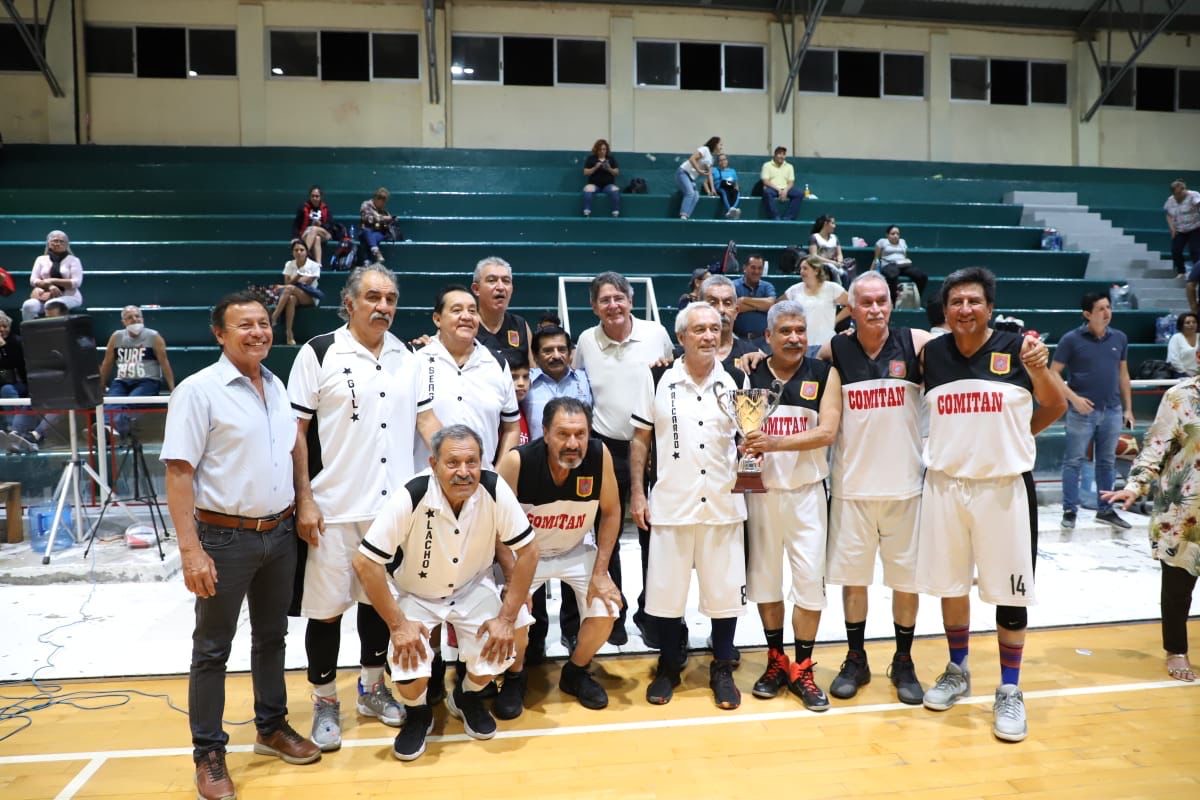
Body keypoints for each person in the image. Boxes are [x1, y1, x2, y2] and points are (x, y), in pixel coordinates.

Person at [161, 291, 322, 800]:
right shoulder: (198, 391)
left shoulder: (275, 384)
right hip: (223, 538)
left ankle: (271, 727)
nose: (258, 332)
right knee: (212, 649)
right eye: (244, 325)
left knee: (272, 637)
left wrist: (304, 498)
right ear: (220, 334)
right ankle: (208, 754)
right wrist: (191, 550)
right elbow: (179, 472)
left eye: (262, 323)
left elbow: (296, 446)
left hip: (278, 532)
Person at [287, 264, 443, 753]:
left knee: (381, 604)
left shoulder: (410, 358)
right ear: (349, 302)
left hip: (392, 510)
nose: (384, 307)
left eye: (391, 298)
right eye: (374, 297)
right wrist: (305, 499)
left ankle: (373, 690)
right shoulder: (319, 352)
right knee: (327, 611)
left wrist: (457, 464)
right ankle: (324, 701)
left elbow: (426, 421)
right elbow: (296, 435)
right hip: (332, 508)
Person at [918, 267, 1063, 744]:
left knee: (1011, 591)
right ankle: (958, 669)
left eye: (974, 301)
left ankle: (1010, 688)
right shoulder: (932, 354)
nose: (965, 309)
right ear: (944, 310)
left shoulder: (1019, 349)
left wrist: (1017, 434)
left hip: (1002, 488)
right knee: (950, 583)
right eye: (956, 302)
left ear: (990, 308)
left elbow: (1054, 405)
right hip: (945, 485)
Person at [351, 424, 539, 762]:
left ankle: (466, 696)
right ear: (433, 462)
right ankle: (418, 713)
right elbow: (365, 562)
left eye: (472, 462)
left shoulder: (494, 488)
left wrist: (507, 618)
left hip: (471, 588)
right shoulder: (413, 493)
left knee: (508, 637)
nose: (464, 472)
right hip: (416, 594)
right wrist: (397, 625)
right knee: (410, 670)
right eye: (453, 463)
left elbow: (530, 551)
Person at [630, 302, 747, 709]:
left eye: (715, 329)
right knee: (665, 593)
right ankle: (667, 665)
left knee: (724, 591)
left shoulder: (737, 378)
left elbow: (746, 439)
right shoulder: (658, 376)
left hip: (722, 501)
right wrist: (637, 493)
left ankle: (721, 668)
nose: (708, 336)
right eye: (699, 329)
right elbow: (640, 439)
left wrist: (755, 456)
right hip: (671, 502)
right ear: (681, 337)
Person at [821, 272, 929, 707]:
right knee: (854, 582)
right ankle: (856, 658)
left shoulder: (917, 342)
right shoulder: (836, 350)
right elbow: (792, 364)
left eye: (881, 300)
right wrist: (751, 358)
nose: (875, 309)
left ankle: (903, 660)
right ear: (852, 306)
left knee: (906, 583)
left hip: (906, 489)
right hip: (852, 490)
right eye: (865, 302)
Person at [495, 397, 623, 717]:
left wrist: (601, 573)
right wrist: (513, 578)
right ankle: (515, 676)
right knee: (515, 616)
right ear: (546, 433)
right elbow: (492, 524)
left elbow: (611, 512)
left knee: (607, 608)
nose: (573, 443)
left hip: (575, 550)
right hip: (525, 557)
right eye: (563, 434)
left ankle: (576, 672)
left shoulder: (599, 454)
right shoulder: (517, 462)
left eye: (580, 434)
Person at [741, 302, 841, 711]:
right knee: (765, 582)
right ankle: (775, 660)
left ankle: (803, 666)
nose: (795, 338)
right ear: (768, 337)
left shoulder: (823, 373)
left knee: (808, 586)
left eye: (800, 330)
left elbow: (828, 432)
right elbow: (743, 434)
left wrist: (776, 443)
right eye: (785, 331)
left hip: (807, 495)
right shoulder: (750, 373)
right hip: (761, 493)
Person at [573, 272, 675, 646]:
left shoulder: (655, 334)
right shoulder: (585, 341)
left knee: (654, 532)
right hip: (607, 447)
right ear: (594, 306)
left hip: (654, 447)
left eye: (619, 298)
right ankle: (614, 612)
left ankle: (653, 612)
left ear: (631, 300)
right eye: (604, 300)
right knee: (608, 534)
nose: (613, 305)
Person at [1103, 375, 1200, 683]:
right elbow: (1154, 448)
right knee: (1177, 587)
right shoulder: (1179, 396)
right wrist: (1135, 485)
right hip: (1185, 511)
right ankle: (1176, 650)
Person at [1051, 292, 1134, 531]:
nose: (1107, 313)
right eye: (1101, 309)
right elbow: (1052, 373)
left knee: (1107, 462)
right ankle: (1069, 510)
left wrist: (1128, 408)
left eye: (1108, 307)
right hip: (1082, 412)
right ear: (1087, 314)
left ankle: (1106, 510)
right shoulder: (1071, 339)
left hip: (1112, 409)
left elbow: (1123, 374)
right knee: (1073, 461)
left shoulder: (1120, 338)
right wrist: (1074, 399)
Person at [415, 285, 520, 470]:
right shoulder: (417, 360)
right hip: (427, 483)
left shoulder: (497, 363)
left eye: (472, 311)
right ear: (437, 319)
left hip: (481, 483)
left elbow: (512, 428)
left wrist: (499, 475)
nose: (466, 316)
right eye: (457, 310)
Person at [98, 305, 176, 438]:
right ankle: (107, 429)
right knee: (111, 402)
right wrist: (100, 386)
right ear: (124, 322)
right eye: (129, 318)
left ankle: (105, 431)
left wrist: (173, 389)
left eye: (137, 316)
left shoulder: (153, 336)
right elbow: (107, 363)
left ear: (142, 318)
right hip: (122, 380)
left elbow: (164, 363)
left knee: (130, 403)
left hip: (148, 381)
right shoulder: (116, 337)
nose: (134, 319)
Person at [524, 324, 593, 441]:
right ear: (535, 356)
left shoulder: (586, 379)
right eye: (548, 351)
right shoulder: (525, 382)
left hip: (578, 453)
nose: (556, 356)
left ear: (570, 353)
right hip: (535, 456)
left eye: (561, 349)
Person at [472, 256, 534, 366]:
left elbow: (532, 371)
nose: (500, 287)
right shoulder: (466, 323)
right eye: (492, 280)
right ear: (476, 289)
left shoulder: (520, 324)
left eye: (506, 281)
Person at [783, 257, 850, 356]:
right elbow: (777, 307)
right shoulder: (794, 290)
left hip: (826, 344)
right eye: (800, 269)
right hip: (801, 344)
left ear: (816, 270)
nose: (801, 272)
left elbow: (852, 305)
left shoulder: (832, 288)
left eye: (805, 268)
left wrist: (835, 320)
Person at [22, 230, 83, 320]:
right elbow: (33, 280)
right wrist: (49, 286)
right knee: (29, 305)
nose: (57, 244)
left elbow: (76, 283)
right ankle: (29, 332)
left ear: (66, 244)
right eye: (54, 241)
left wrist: (52, 280)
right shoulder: (40, 259)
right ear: (48, 243)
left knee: (52, 304)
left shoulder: (74, 260)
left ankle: (55, 332)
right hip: (44, 296)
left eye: (61, 241)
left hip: (70, 296)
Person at [272, 240, 322, 346]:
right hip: (293, 294)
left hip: (310, 297)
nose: (299, 252)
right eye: (296, 250)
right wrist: (297, 277)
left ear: (306, 252)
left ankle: (274, 316)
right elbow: (288, 282)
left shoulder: (314, 265)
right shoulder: (289, 264)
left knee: (289, 288)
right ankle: (289, 333)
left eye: (301, 250)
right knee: (290, 299)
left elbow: (306, 283)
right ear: (292, 252)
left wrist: (293, 280)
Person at [1165, 180, 1200, 309]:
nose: (1182, 194)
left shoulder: (1193, 195)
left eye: (1183, 191)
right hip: (1180, 229)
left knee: (1195, 251)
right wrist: (1172, 227)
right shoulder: (1170, 201)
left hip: (1195, 228)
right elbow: (1168, 214)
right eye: (1178, 193)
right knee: (1176, 250)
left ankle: (1197, 275)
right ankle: (1181, 271)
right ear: (1174, 193)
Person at [873, 225, 928, 305]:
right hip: (889, 265)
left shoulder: (902, 242)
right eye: (893, 233)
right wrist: (872, 271)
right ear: (887, 235)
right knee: (892, 275)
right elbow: (876, 259)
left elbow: (905, 256)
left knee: (922, 276)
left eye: (898, 234)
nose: (896, 236)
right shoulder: (882, 242)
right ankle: (893, 301)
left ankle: (916, 300)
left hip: (903, 265)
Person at [732, 254, 776, 342]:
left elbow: (771, 305)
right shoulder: (733, 285)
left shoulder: (767, 286)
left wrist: (744, 300)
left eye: (760, 268)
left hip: (763, 340)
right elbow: (735, 307)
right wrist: (761, 306)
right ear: (745, 268)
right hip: (739, 339)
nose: (756, 271)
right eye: (753, 267)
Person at [676, 136, 719, 220]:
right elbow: (692, 159)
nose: (721, 147)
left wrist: (713, 189)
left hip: (691, 178)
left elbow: (709, 174)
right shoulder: (704, 149)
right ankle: (683, 217)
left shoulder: (711, 158)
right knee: (690, 193)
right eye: (720, 144)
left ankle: (686, 216)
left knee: (696, 196)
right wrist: (698, 170)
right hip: (683, 172)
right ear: (715, 144)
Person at [0, 310, 28, 434]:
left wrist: (3, 347)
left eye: (5, 326)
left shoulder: (17, 342)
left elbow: (15, 364)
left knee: (6, 390)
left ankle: (15, 428)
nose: (2, 330)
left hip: (17, 383)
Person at [293, 185, 335, 265]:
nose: (314, 198)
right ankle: (318, 265)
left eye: (317, 196)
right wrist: (295, 237)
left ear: (321, 197)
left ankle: (304, 254)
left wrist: (320, 224)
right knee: (317, 238)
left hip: (325, 233)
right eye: (312, 196)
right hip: (307, 234)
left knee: (313, 229)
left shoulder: (325, 208)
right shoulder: (303, 207)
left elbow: (330, 224)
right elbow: (296, 224)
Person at [759, 146, 803, 221]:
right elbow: (765, 181)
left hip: (786, 188)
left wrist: (785, 190)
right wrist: (779, 190)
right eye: (779, 154)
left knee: (799, 194)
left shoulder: (789, 166)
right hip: (772, 188)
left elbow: (791, 182)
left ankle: (788, 218)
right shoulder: (767, 165)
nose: (781, 156)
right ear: (775, 155)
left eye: (783, 154)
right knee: (766, 193)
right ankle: (775, 217)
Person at [582, 139, 621, 218]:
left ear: (607, 150)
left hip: (608, 185)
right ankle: (587, 212)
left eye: (604, 149)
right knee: (588, 189)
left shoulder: (611, 159)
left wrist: (609, 168)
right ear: (596, 150)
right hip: (594, 185)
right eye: (600, 149)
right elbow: (585, 172)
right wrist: (595, 167)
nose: (602, 151)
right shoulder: (591, 158)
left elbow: (617, 173)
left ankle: (615, 213)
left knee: (615, 190)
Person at [359, 187, 396, 265]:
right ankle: (376, 253)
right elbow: (368, 219)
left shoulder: (382, 210)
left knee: (369, 238)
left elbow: (389, 221)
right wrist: (383, 218)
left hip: (379, 233)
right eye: (382, 201)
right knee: (367, 231)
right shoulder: (366, 205)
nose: (384, 204)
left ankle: (368, 260)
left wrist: (389, 219)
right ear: (376, 199)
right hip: (366, 231)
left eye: (384, 202)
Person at [808, 215, 847, 284]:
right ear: (826, 224)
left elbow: (839, 254)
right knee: (830, 271)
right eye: (832, 223)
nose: (834, 226)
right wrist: (831, 262)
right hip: (820, 265)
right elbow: (814, 256)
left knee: (844, 274)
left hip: (834, 264)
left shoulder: (834, 237)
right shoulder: (814, 237)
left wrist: (839, 262)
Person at [507, 350, 532, 445]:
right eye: (514, 377)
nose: (521, 383)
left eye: (525, 377)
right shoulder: (496, 417)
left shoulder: (526, 409)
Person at [1167, 312, 1200, 377]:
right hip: (1181, 373)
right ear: (1181, 325)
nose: (1191, 324)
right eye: (1188, 323)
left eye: (1194, 322)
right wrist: (1186, 373)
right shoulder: (1176, 338)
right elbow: (1174, 360)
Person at [712, 153, 742, 220]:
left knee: (737, 191)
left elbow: (736, 183)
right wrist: (711, 190)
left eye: (724, 159)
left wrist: (736, 187)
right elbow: (706, 182)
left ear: (727, 161)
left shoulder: (732, 171)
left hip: (731, 187)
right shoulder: (715, 170)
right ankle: (731, 210)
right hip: (721, 187)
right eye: (720, 160)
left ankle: (732, 209)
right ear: (718, 162)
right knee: (724, 190)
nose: (723, 162)